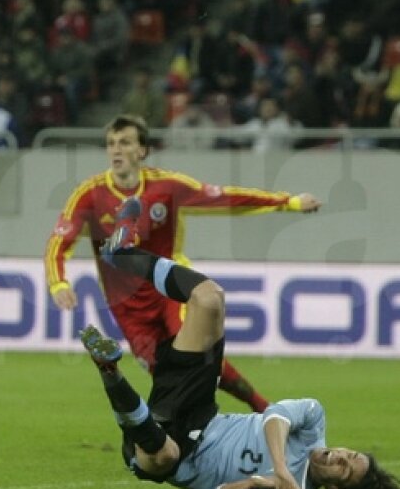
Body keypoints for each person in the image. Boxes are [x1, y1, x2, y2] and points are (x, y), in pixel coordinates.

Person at [79, 209, 400, 489]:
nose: (339, 455)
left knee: (165, 454)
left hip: (173, 456)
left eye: (345, 468)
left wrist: (255, 483)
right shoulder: (313, 423)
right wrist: (280, 470)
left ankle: (109, 371)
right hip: (198, 409)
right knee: (210, 298)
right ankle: (120, 254)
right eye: (349, 453)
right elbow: (274, 417)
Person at [46, 114, 322, 413]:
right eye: (111, 143)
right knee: (167, 375)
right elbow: (58, 243)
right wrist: (58, 282)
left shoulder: (168, 186)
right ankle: (206, 430)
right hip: (126, 306)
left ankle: (265, 410)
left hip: (169, 290)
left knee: (195, 356)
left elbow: (226, 198)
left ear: (142, 151)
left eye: (124, 142)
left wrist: (287, 202)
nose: (116, 150)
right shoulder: (89, 195)